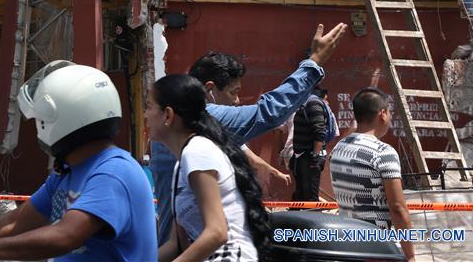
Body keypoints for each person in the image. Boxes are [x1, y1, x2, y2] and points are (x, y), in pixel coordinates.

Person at [0, 60, 157, 262]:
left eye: (39, 120)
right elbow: (17, 221)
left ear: (58, 121)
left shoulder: (112, 172)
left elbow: (65, 236)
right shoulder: (67, 172)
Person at [151, 22, 347, 244]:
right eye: (233, 93)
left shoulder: (182, 130)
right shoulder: (200, 119)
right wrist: (315, 62)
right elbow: (269, 112)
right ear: (209, 90)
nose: (236, 102)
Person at [148, 74, 270, 261]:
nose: (145, 114)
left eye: (149, 107)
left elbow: (217, 232)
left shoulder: (197, 152)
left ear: (168, 115)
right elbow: (175, 244)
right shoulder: (181, 164)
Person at [330, 88, 415, 262]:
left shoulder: (339, 147)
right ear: (382, 114)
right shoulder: (383, 153)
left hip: (345, 243)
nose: (390, 117)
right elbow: (398, 208)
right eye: (390, 112)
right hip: (374, 247)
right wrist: (410, 255)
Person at [290, 87, 338, 202]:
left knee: (310, 199)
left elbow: (319, 133)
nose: (327, 103)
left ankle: (312, 220)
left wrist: (315, 158)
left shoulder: (314, 104)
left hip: (310, 158)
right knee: (300, 197)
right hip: (302, 157)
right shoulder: (306, 104)